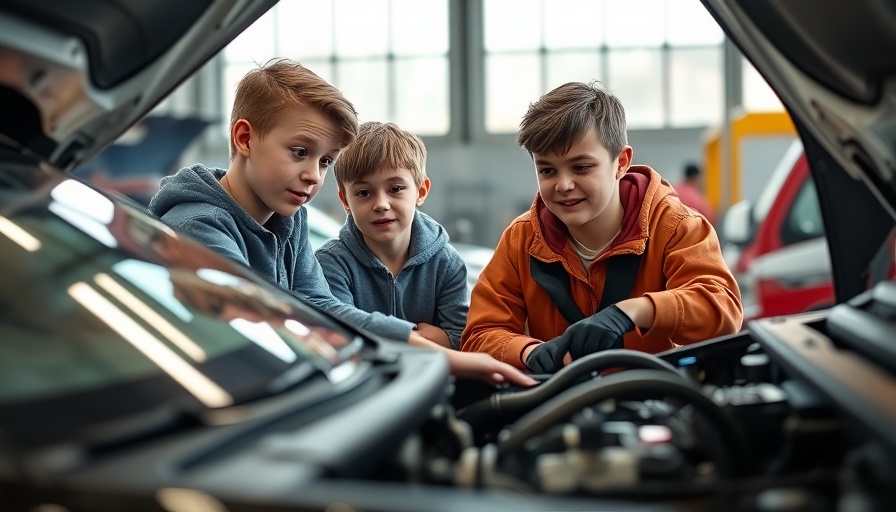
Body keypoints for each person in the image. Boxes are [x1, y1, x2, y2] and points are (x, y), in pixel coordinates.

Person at [148, 58, 534, 387]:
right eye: (300, 152)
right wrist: (450, 358)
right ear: (245, 138)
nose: (314, 175)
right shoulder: (196, 226)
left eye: (325, 161)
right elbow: (254, 319)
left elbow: (319, 307)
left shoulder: (289, 219)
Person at [461, 81, 743, 373]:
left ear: (621, 162)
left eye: (581, 167)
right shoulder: (521, 239)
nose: (563, 185)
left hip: (652, 402)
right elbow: (479, 335)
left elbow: (722, 312)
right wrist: (529, 352)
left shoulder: (675, 227)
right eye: (547, 170)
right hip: (561, 405)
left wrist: (633, 311)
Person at [315, 121, 467, 351]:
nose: (381, 204)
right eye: (364, 193)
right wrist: (416, 336)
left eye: (395, 189)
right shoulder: (331, 263)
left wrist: (449, 339)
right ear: (346, 201)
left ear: (421, 191)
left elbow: (462, 339)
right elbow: (340, 337)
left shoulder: (447, 262)